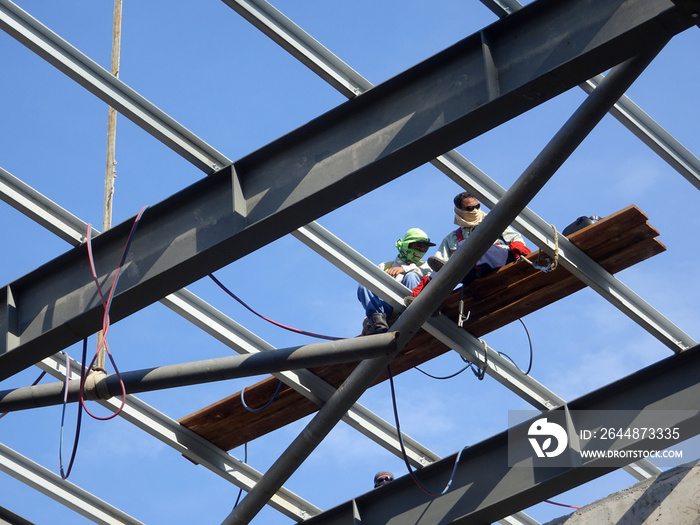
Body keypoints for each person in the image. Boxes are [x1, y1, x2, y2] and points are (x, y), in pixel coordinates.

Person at [407, 192, 531, 299]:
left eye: (477, 206)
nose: (475, 210)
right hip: (471, 271)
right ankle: (424, 299)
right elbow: (439, 262)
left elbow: (515, 238)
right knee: (442, 269)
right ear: (460, 210)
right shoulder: (452, 238)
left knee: (465, 246)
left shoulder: (493, 221)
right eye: (470, 208)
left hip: (498, 258)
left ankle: (456, 263)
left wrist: (518, 247)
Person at [358, 228, 435, 334]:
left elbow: (429, 275)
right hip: (387, 308)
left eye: (423, 249)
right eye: (418, 247)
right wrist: (367, 319)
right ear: (406, 245)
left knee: (412, 276)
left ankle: (409, 313)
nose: (420, 252)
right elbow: (372, 295)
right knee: (365, 284)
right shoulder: (385, 266)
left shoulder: (426, 266)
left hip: (409, 309)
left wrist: (404, 269)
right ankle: (377, 321)